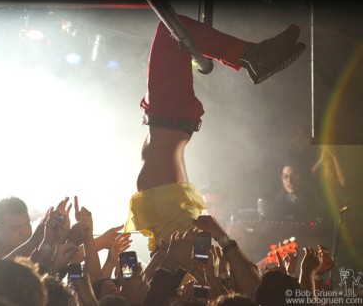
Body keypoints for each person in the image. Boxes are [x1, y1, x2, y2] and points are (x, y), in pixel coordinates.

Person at [125, 15, 305, 251]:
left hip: (171, 118)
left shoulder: (174, 205)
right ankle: (255, 55)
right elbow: (181, 254)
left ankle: (254, 56)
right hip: (168, 115)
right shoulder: (171, 213)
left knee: (176, 34)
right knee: (170, 30)